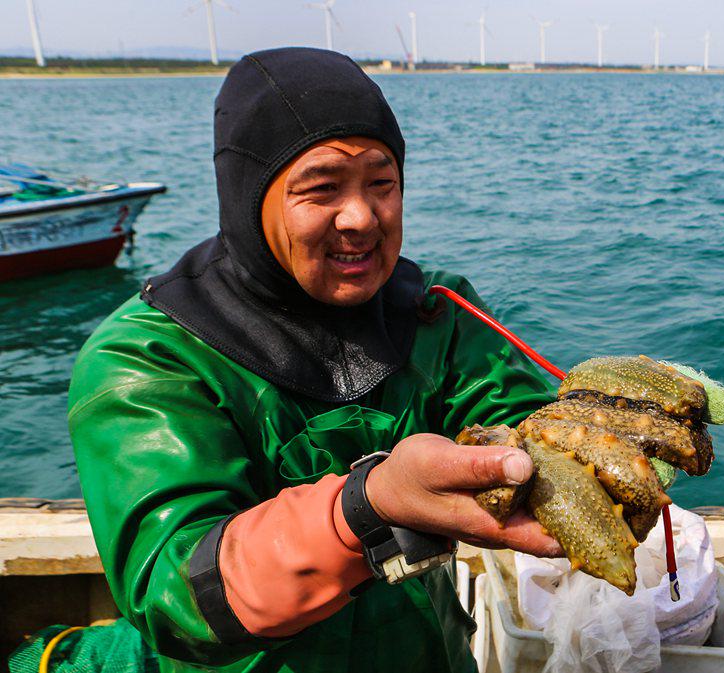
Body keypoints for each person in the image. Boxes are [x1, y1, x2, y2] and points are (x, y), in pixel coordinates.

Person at [68, 48, 560, 673]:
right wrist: (369, 506)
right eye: (322, 189)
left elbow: (524, 425)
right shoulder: (148, 358)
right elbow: (175, 593)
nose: (361, 217)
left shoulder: (436, 310)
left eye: (382, 184)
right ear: (251, 198)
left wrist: (594, 438)